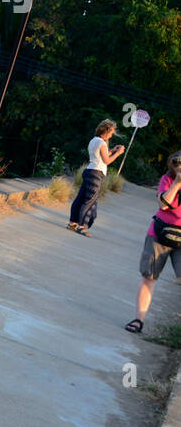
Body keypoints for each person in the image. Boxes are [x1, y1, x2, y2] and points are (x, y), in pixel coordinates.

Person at [125, 151, 181, 333]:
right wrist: (177, 183)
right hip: (159, 234)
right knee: (149, 277)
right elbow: (164, 204)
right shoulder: (167, 179)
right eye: (176, 163)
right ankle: (138, 319)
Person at [68, 120, 123, 236]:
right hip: (96, 174)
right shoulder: (102, 143)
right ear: (107, 131)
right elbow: (106, 161)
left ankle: (72, 223)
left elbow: (101, 155)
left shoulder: (94, 140)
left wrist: (112, 150)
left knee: (80, 198)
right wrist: (118, 154)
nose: (112, 135)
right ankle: (81, 226)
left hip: (89, 171)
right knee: (89, 201)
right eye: (111, 133)